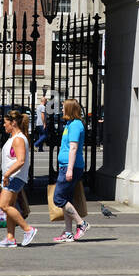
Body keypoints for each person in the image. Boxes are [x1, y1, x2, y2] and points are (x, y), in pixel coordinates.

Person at [0, 109, 37, 248]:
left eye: (5, 123)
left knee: (4, 205)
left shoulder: (18, 139)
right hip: (13, 176)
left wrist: (7, 175)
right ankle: (10, 237)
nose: (3, 125)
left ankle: (28, 229)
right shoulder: (15, 138)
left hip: (14, 176)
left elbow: (21, 161)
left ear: (13, 123)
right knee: (10, 206)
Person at [52, 98, 90, 243]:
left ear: (69, 109)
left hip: (71, 166)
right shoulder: (69, 124)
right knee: (65, 199)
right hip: (66, 165)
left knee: (58, 198)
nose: (62, 110)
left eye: (63, 107)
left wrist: (69, 170)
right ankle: (68, 232)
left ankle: (81, 223)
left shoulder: (75, 125)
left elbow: (73, 148)